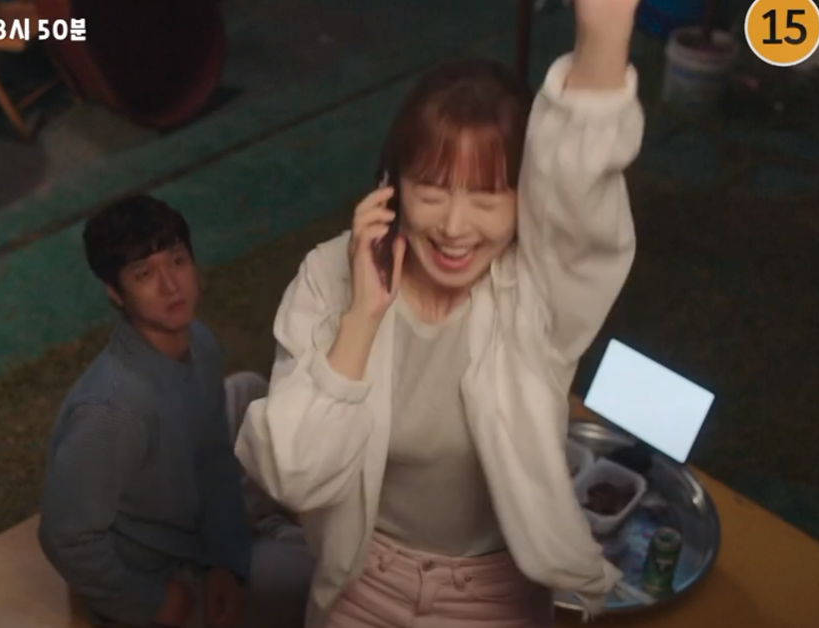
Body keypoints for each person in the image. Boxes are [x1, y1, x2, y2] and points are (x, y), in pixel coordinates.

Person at [234, 1, 644, 626]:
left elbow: (580, 192)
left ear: (525, 203)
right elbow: (293, 476)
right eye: (430, 192)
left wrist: (603, 35)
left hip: (494, 598)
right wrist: (363, 317)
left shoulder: (537, 291)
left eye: (487, 198)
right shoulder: (329, 275)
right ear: (391, 187)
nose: (455, 227)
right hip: (359, 582)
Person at [38, 195, 314, 628]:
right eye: (144, 274)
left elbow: (213, 457)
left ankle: (257, 528)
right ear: (115, 293)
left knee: (248, 390)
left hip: (200, 526)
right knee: (338, 572)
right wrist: (150, 603)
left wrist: (225, 557)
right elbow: (65, 538)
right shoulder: (111, 409)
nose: (171, 286)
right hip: (162, 572)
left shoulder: (198, 341)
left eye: (178, 261)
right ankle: (269, 534)